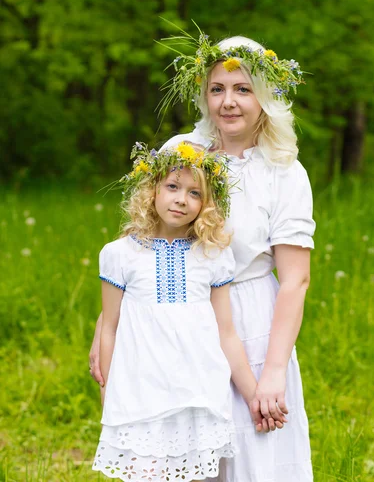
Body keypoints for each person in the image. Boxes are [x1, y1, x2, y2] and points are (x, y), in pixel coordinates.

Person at [90, 28, 316, 482]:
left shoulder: (284, 171)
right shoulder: (180, 152)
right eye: (217, 89)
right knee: (179, 458)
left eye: (242, 90)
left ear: (265, 98)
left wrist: (272, 372)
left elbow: (295, 280)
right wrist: (107, 329)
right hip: (176, 325)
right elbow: (141, 244)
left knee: (254, 452)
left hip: (249, 322)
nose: (228, 101)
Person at [92, 141, 261, 481]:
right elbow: (108, 328)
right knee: (145, 472)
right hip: (141, 391)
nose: (181, 199)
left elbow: (226, 333)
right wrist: (109, 395)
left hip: (197, 391)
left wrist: (255, 396)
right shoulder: (120, 254)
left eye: (195, 193)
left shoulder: (212, 256)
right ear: (152, 189)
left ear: (207, 204)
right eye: (172, 186)